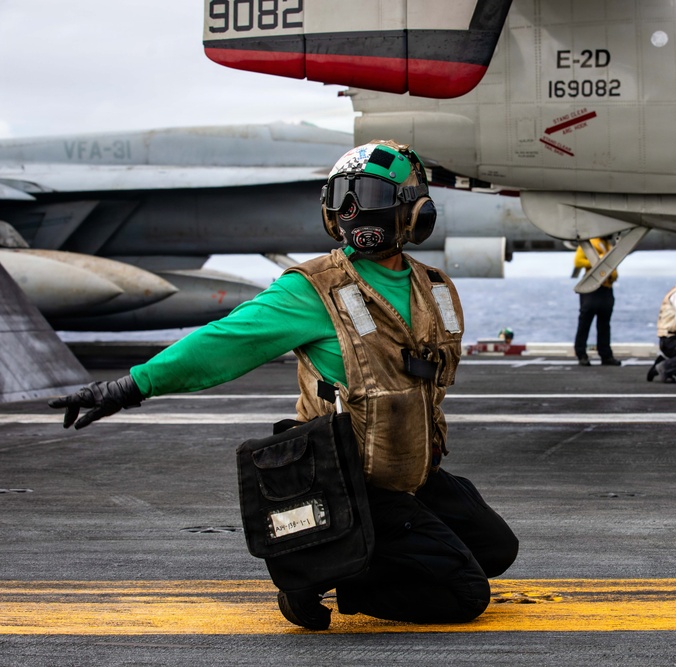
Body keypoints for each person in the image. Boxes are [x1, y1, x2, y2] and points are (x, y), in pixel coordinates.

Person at [48, 140, 519, 630]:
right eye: (344, 197)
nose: (353, 211)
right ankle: (320, 577)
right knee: (464, 595)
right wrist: (127, 387)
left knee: (496, 549)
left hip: (412, 473)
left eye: (373, 195)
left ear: (414, 209)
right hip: (348, 479)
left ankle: (354, 556)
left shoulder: (434, 287)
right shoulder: (312, 290)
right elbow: (221, 342)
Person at [573, 237, 621, 366]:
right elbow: (578, 262)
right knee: (585, 322)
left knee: (604, 324)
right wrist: (598, 261)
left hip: (606, 288)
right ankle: (581, 354)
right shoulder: (590, 244)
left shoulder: (608, 246)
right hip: (592, 288)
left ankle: (606, 355)